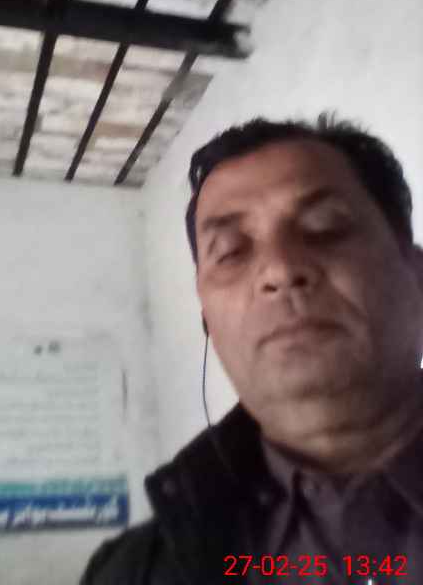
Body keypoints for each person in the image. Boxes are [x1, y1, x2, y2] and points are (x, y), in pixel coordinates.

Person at [80, 114, 423, 585]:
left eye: (324, 227)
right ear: (207, 318)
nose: (279, 270)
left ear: (415, 273)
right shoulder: (131, 573)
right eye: (230, 251)